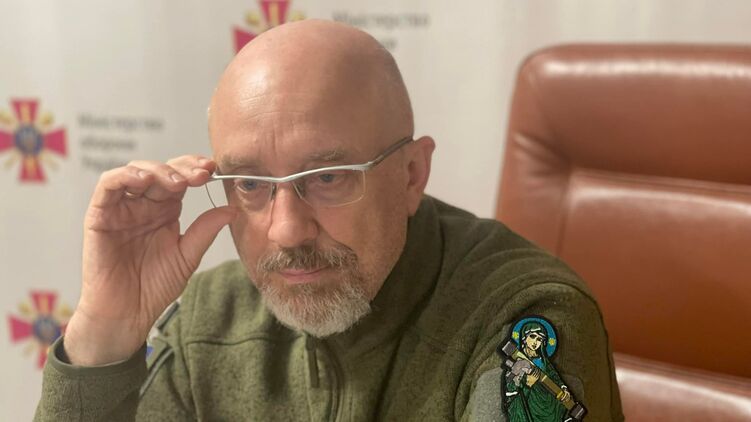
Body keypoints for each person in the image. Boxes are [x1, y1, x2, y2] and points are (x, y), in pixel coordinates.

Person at [34, 20, 623, 421]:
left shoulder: (522, 320)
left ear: (411, 175)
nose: (286, 230)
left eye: (328, 177)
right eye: (250, 184)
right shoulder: (211, 318)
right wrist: (104, 337)